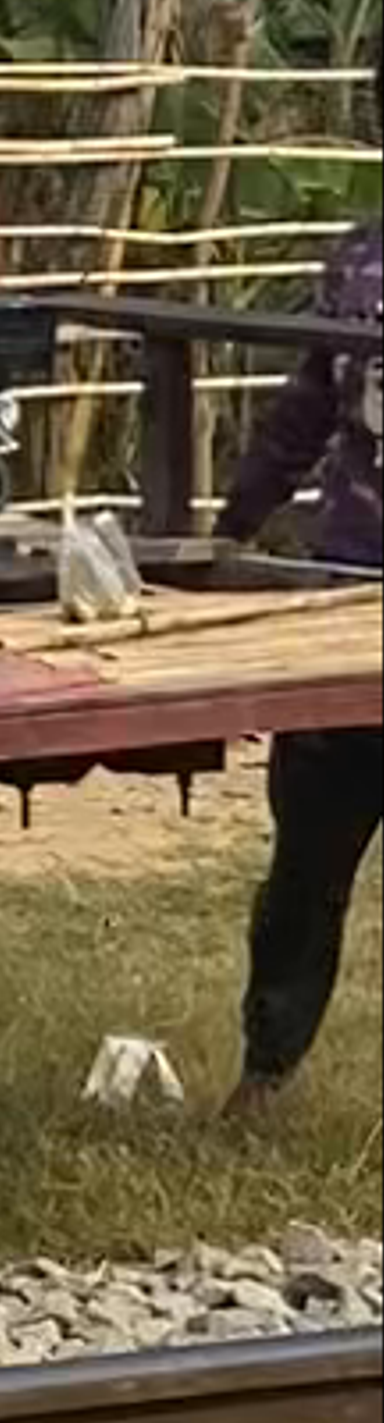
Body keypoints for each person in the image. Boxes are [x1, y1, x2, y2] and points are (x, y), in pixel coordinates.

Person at [215, 195, 382, 1126]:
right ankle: (268, 1070)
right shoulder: (358, 263)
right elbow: (307, 407)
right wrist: (233, 522)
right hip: (347, 603)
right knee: (308, 863)